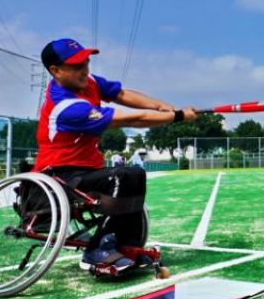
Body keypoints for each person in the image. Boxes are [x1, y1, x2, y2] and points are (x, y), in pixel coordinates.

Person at [33, 38, 196, 271]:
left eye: (86, 63)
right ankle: (97, 250)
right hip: (59, 175)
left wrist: (160, 106)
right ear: (56, 71)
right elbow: (130, 119)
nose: (85, 70)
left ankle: (127, 245)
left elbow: (121, 94)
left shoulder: (87, 82)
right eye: (77, 66)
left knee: (136, 174)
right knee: (121, 177)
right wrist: (177, 116)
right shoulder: (65, 107)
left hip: (88, 170)